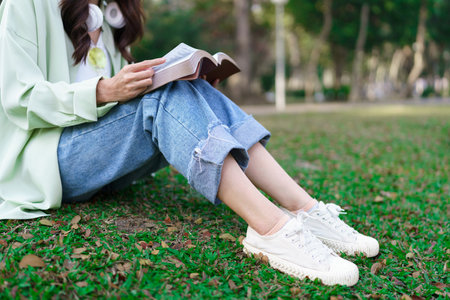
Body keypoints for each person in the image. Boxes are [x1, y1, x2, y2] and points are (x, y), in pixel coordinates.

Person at [0, 0, 379, 286]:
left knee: (183, 85)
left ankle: (304, 209)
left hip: (102, 160)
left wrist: (181, 83)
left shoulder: (109, 15)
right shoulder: (24, 5)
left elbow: (118, 114)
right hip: (48, 160)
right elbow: (18, 97)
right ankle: (270, 230)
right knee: (161, 98)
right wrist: (104, 90)